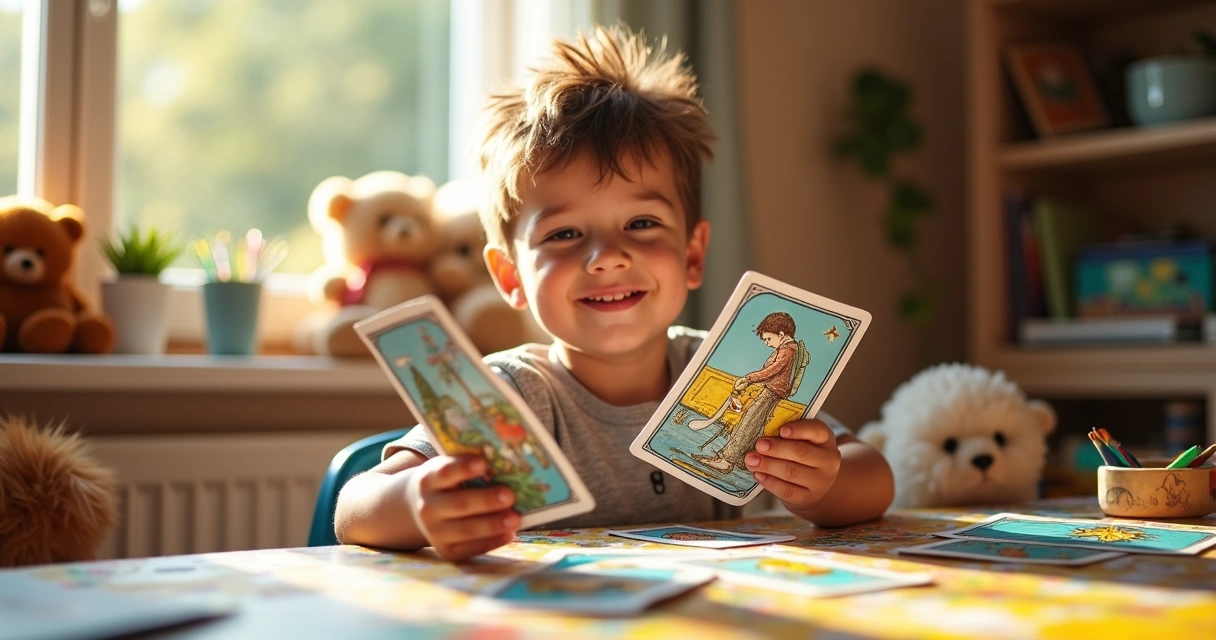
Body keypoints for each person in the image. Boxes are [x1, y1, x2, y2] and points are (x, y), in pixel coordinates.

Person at [334, 24, 895, 561]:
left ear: (693, 255)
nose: (608, 256)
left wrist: (826, 483)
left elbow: (873, 477)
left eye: (642, 224)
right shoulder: (507, 393)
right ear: (510, 278)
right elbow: (354, 510)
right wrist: (415, 502)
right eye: (565, 234)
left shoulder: (724, 361)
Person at [701, 312, 801, 473]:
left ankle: (727, 460)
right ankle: (740, 459)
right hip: (772, 390)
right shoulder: (787, 349)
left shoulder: (788, 350)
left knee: (749, 422)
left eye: (768, 338)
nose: (767, 343)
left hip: (772, 392)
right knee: (755, 424)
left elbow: (772, 370)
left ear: (781, 334)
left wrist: (748, 379)